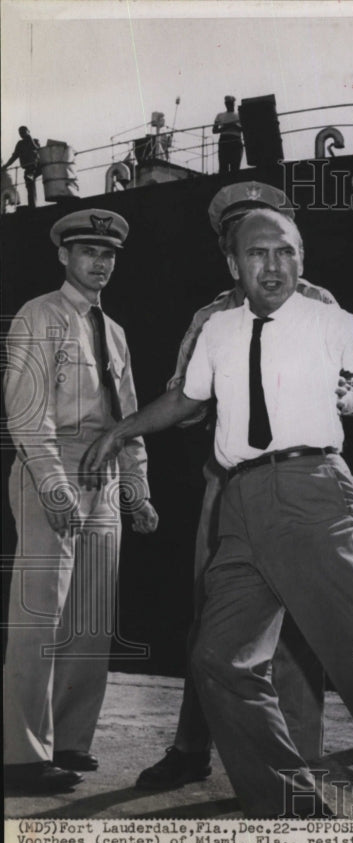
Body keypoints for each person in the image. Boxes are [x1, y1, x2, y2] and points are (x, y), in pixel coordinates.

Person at [82, 206, 353, 818]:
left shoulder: (324, 319)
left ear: (301, 261)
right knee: (217, 657)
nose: (274, 264)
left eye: (285, 252)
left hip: (310, 491)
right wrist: (121, 431)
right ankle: (292, 809)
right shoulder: (217, 329)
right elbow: (185, 397)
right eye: (258, 253)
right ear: (234, 265)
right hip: (238, 500)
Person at [137, 180, 353, 790]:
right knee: (214, 620)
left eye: (267, 230)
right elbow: (183, 398)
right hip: (229, 482)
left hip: (303, 475)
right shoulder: (212, 316)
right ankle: (192, 748)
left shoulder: (318, 301)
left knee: (300, 624)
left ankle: (299, 761)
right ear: (230, 250)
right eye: (238, 234)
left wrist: (352, 395)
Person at [3, 210, 158, 794]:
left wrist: (138, 488)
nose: (101, 262)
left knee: (90, 617)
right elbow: (24, 406)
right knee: (39, 613)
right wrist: (50, 480)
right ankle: (20, 754)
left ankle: (69, 740)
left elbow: (130, 413)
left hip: (106, 472)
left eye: (109, 253)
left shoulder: (112, 330)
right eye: (88, 251)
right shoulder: (39, 315)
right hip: (57, 463)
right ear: (64, 256)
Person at [2, 126, 42, 208]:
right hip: (29, 170)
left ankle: (32, 205)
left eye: (23, 131)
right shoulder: (20, 144)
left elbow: (37, 149)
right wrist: (5, 166)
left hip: (38, 167)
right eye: (20, 132)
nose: (21, 134)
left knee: (45, 180)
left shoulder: (35, 141)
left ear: (28, 131)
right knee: (29, 185)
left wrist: (30, 139)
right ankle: (32, 205)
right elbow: (14, 157)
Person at [212, 96, 243, 175]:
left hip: (235, 140)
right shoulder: (220, 115)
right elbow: (214, 130)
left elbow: (244, 129)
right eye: (228, 103)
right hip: (224, 140)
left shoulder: (240, 115)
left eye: (231, 103)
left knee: (235, 167)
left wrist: (234, 126)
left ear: (234, 103)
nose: (229, 105)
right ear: (225, 104)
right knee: (223, 167)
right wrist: (226, 127)